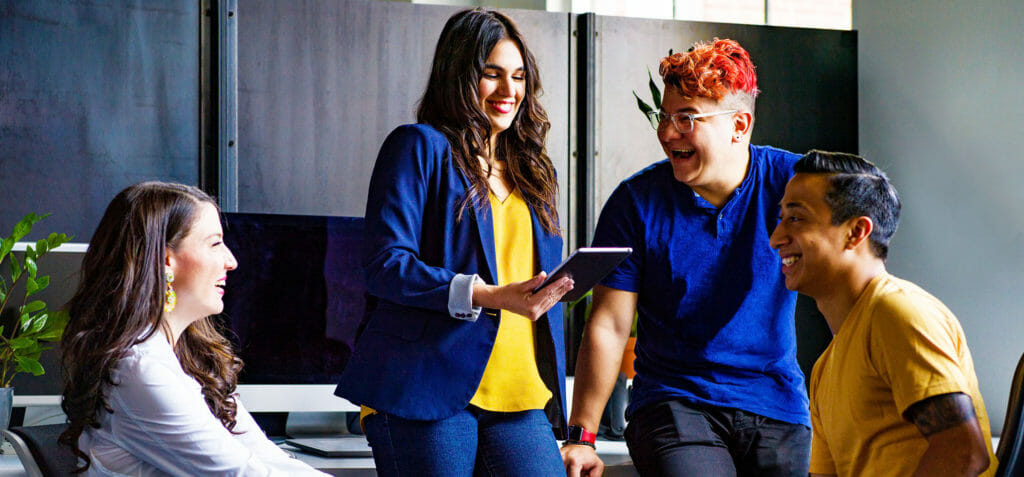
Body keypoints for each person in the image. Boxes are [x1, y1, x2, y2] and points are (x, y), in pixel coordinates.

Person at [334, 8, 574, 476]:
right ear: (460, 76)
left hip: (520, 388)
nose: (510, 91)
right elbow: (385, 263)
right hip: (425, 383)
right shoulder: (418, 146)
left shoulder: (535, 171)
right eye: (492, 74)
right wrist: (483, 295)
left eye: (519, 76)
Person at [562, 38, 811, 476]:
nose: (667, 133)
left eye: (686, 118)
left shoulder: (794, 183)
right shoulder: (635, 203)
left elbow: (856, 245)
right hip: (673, 403)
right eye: (665, 117)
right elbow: (610, 323)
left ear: (739, 124)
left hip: (776, 404)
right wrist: (582, 437)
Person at [58, 182, 327, 475]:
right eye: (215, 243)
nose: (231, 261)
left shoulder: (186, 360)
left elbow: (268, 459)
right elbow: (243, 473)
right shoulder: (139, 370)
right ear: (165, 260)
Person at [769, 150, 996, 477]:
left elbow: (963, 452)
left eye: (796, 218)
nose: (776, 238)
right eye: (781, 219)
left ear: (856, 232)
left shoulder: (897, 312)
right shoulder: (824, 369)